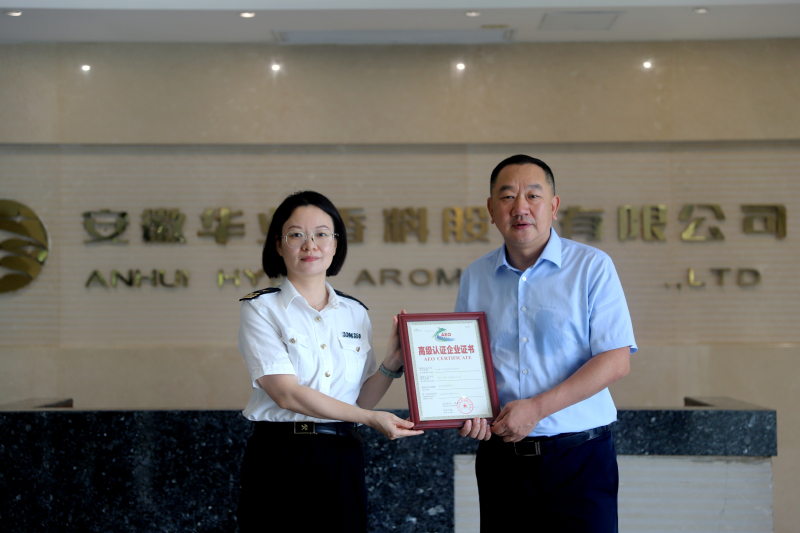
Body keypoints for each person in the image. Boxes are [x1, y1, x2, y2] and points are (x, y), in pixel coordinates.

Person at [455, 155, 637, 532]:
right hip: (502, 461)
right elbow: (465, 361)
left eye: (533, 196)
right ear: (491, 209)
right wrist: (467, 409)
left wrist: (537, 408)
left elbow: (616, 360)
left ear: (553, 207)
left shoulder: (592, 267)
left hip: (580, 460)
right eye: (507, 197)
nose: (520, 207)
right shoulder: (476, 277)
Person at [236, 190, 423, 533]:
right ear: (278, 245)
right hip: (280, 454)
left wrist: (391, 363)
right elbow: (286, 394)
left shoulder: (355, 313)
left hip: (342, 455)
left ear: (336, 244)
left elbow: (358, 402)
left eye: (322, 234)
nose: (310, 245)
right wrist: (371, 419)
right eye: (296, 235)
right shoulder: (260, 309)